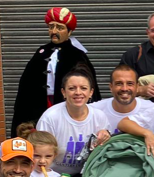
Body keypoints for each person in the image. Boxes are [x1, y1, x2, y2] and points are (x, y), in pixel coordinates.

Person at [10, 7, 97, 136]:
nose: (54, 31)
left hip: (66, 107)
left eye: (59, 28)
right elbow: (26, 86)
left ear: (69, 31)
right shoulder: (41, 53)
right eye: (51, 27)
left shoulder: (77, 56)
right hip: (38, 108)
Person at [37, 66, 111, 177]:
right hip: (53, 173)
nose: (78, 93)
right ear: (63, 92)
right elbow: (39, 153)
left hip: (83, 175)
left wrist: (105, 136)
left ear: (91, 93)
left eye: (83, 88)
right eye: (72, 88)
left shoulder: (99, 117)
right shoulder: (50, 117)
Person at [90, 65, 154, 135]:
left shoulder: (153, 110)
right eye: (119, 84)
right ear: (111, 87)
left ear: (137, 87)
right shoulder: (94, 111)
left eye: (130, 84)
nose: (124, 88)